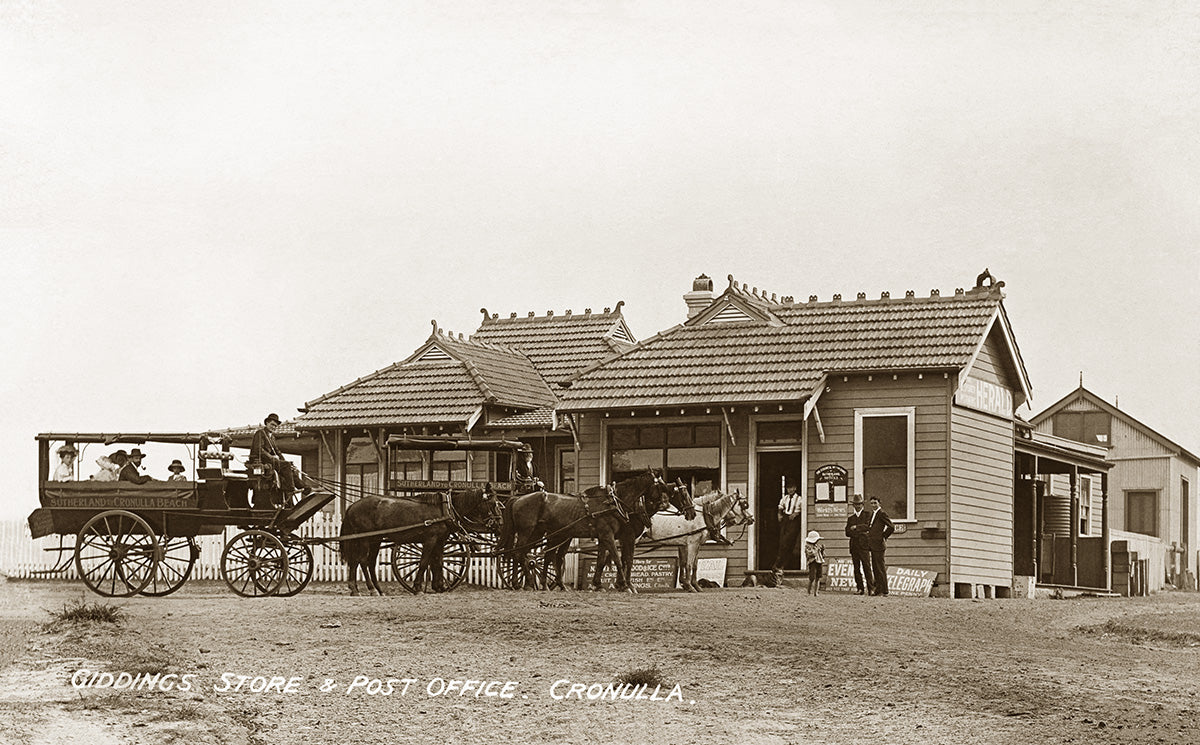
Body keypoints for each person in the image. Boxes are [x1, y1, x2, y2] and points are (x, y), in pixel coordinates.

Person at [251, 413, 307, 503]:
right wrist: (272, 457)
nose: (274, 427)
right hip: (261, 460)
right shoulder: (260, 433)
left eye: (275, 426)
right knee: (286, 466)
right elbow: (258, 449)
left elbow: (277, 452)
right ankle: (291, 488)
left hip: (271, 461)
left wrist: (285, 461)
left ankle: (304, 487)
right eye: (272, 424)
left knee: (290, 467)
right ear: (267, 423)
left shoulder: (272, 437)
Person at [771, 480, 804, 586]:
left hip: (794, 520)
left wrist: (795, 514)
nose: (790, 490)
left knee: (788, 541)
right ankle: (779, 565)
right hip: (785, 520)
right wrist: (779, 514)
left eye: (791, 488)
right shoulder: (785, 498)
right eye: (788, 488)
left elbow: (801, 508)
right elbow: (780, 506)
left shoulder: (799, 499)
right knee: (782, 542)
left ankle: (778, 564)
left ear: (795, 488)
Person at [844, 493, 874, 595]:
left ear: (862, 505)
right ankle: (860, 588)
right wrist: (859, 532)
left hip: (864, 545)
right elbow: (847, 532)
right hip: (854, 546)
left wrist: (856, 527)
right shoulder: (850, 518)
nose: (857, 506)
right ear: (853, 506)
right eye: (856, 504)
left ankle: (871, 588)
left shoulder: (867, 515)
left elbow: (867, 527)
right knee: (856, 568)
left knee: (866, 566)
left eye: (859, 504)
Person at [866, 495, 895, 596]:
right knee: (875, 568)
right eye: (872, 503)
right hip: (873, 545)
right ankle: (878, 589)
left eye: (875, 503)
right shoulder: (873, 514)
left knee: (880, 568)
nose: (873, 505)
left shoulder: (882, 513)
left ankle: (885, 590)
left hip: (879, 545)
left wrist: (883, 536)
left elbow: (891, 527)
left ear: (879, 503)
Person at [804, 530, 826, 596]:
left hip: (819, 562)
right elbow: (810, 554)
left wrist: (822, 550)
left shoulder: (817, 546)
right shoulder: (807, 546)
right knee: (812, 577)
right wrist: (816, 550)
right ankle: (808, 591)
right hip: (813, 562)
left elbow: (823, 556)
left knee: (818, 577)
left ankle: (816, 592)